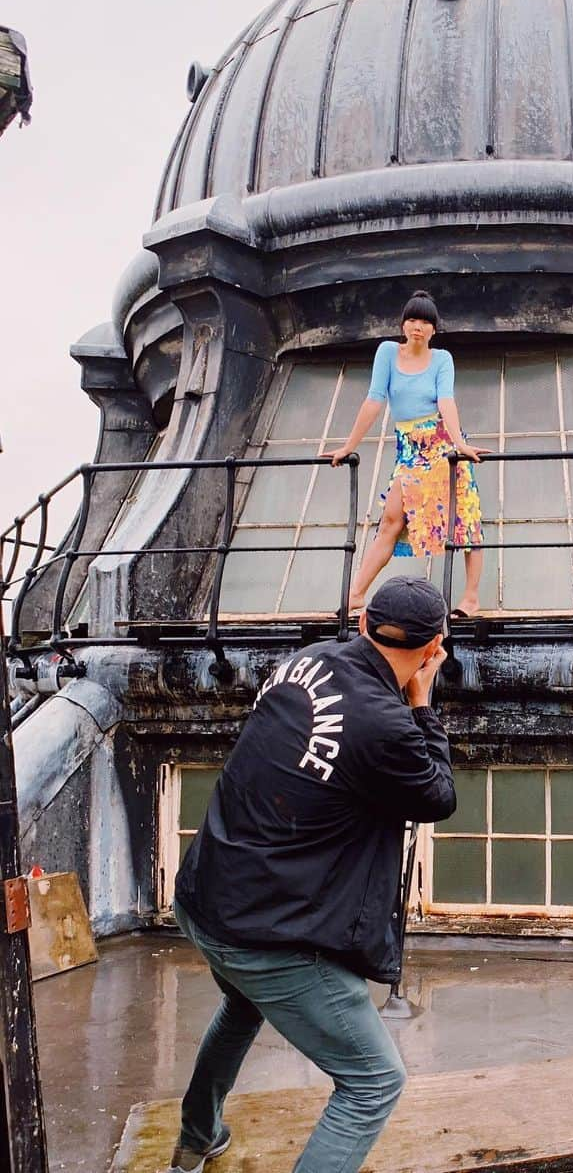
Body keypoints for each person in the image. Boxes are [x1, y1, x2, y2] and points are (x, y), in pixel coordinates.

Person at [167, 576, 455, 1173]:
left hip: (206, 896)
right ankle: (197, 1138)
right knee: (373, 1082)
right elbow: (436, 795)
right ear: (433, 650)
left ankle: (196, 1140)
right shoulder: (387, 723)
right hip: (263, 935)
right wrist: (422, 702)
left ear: (361, 625)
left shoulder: (305, 660)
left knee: (244, 1004)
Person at [325, 290, 488, 619]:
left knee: (466, 519)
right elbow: (374, 399)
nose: (418, 326)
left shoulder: (442, 359)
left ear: (434, 329)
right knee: (391, 519)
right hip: (409, 448)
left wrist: (458, 443)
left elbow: (446, 401)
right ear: (403, 324)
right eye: (412, 319)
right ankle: (355, 595)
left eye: (426, 322)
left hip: (441, 444)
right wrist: (348, 446)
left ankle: (471, 598)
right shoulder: (387, 352)